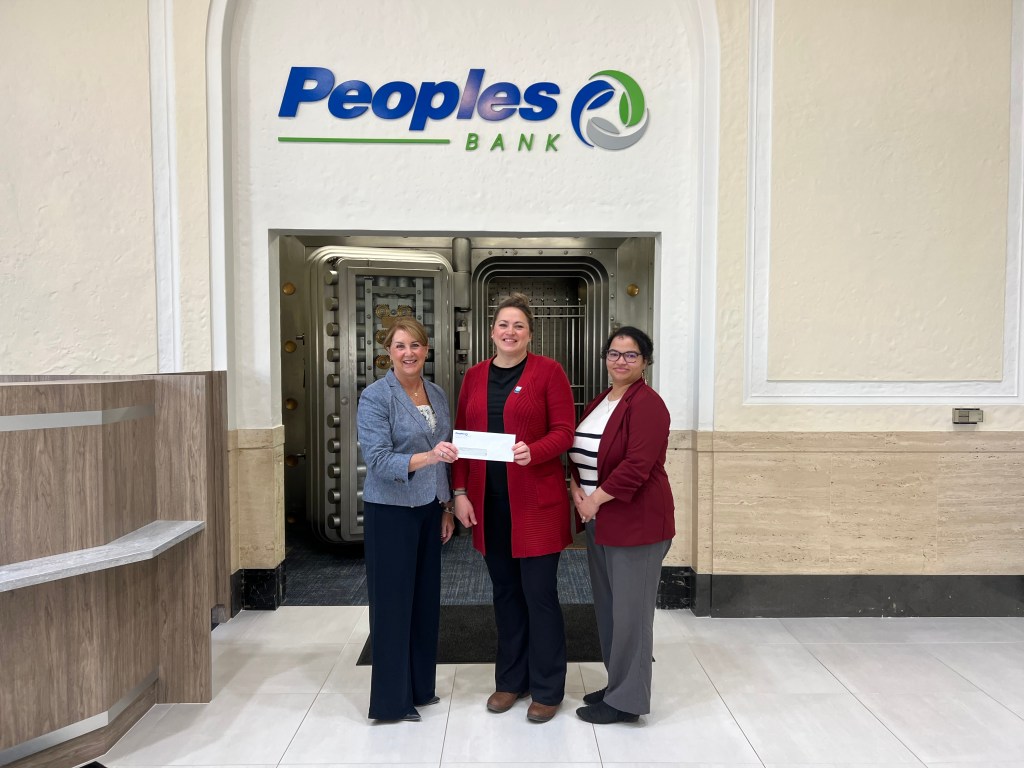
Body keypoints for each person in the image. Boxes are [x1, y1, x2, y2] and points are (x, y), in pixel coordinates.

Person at [451, 292, 576, 723]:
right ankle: (510, 680)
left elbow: (565, 431)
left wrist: (535, 451)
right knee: (504, 595)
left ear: (529, 334)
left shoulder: (549, 372)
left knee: (539, 595)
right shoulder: (474, 376)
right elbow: (462, 438)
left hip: (536, 506)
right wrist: (459, 492)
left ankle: (548, 687)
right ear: (492, 332)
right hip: (489, 505)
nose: (510, 331)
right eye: (503, 324)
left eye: (518, 325)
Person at [568, 326, 675, 724]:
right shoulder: (603, 400)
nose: (621, 361)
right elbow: (581, 452)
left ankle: (627, 701)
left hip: (637, 523)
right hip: (602, 521)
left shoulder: (648, 404)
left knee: (632, 616)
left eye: (631, 355)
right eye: (614, 353)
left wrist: (593, 500)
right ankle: (618, 683)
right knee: (610, 609)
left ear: (645, 361)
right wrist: (576, 491)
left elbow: (636, 466)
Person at [356, 316, 458, 722]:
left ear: (426, 350)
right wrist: (429, 457)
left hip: (429, 509)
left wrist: (446, 506)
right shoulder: (375, 397)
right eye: (400, 346)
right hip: (391, 512)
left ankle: (419, 688)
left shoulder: (437, 393)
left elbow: (447, 451)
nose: (408, 353)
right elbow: (379, 460)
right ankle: (391, 702)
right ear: (389, 352)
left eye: (415, 345)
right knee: (392, 606)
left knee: (424, 603)